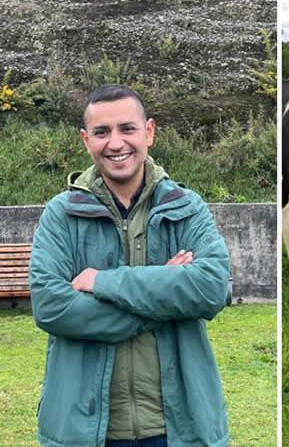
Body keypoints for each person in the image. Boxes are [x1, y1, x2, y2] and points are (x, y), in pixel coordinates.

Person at [29, 84, 231, 447]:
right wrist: (164, 295)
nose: (116, 143)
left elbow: (212, 288)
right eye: (101, 132)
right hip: (85, 433)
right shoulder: (60, 214)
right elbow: (51, 307)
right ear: (85, 139)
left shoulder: (187, 207)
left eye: (127, 128)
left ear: (149, 132)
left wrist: (103, 283)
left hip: (179, 429)